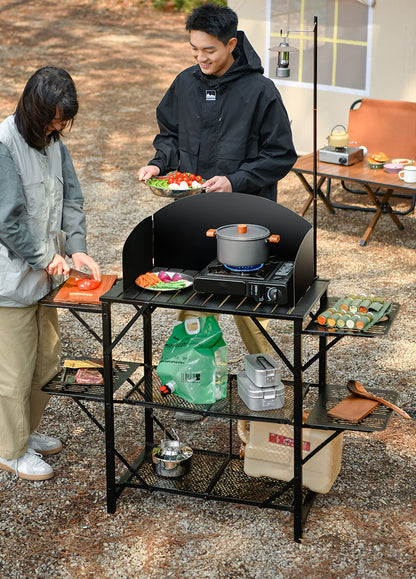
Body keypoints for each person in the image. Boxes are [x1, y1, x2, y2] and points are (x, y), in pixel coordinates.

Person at [138, 4, 296, 372]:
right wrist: (159, 163)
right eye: (194, 49)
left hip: (246, 218)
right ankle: (191, 380)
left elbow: (281, 154)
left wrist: (234, 180)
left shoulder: (261, 91)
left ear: (231, 44)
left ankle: (264, 380)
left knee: (250, 307)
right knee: (193, 294)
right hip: (196, 212)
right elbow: (170, 134)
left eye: (208, 50)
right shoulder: (185, 83)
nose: (200, 57)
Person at [0, 66, 101, 480]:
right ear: (33, 108)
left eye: (63, 120)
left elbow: (72, 198)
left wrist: (75, 250)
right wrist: (46, 257)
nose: (59, 126)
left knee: (47, 365)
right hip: (10, 284)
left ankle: (24, 432)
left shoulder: (54, 141)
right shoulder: (4, 143)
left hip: (45, 281)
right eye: (54, 118)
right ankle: (10, 449)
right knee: (14, 373)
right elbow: (7, 221)